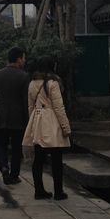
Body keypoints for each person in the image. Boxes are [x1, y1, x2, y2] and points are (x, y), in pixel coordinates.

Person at [22, 57, 72, 200]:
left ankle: (39, 190)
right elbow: (58, 107)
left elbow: (30, 106)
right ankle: (58, 191)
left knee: (38, 158)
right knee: (56, 158)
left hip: (37, 120)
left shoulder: (32, 83)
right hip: (51, 121)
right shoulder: (52, 83)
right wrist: (66, 127)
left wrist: (32, 123)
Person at [0, 47, 29, 185]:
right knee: (17, 148)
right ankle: (14, 175)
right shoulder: (24, 76)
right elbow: (25, 101)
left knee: (1, 145)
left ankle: (4, 167)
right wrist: (27, 120)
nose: (24, 61)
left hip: (1, 117)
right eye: (23, 58)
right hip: (18, 118)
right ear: (18, 59)